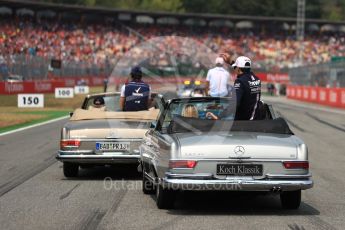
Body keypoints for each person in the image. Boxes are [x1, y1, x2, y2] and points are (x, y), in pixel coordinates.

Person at [231, 56, 261, 120]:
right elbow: (241, 70)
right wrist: (231, 63)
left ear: (238, 69)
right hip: (255, 119)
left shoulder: (240, 81)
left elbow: (235, 104)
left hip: (243, 122)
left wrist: (221, 115)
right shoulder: (257, 79)